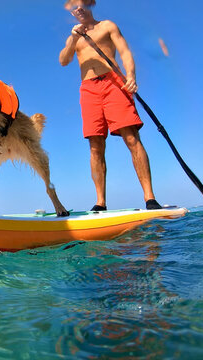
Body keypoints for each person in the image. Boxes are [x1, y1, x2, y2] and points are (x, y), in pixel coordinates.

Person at [59, 0, 162, 211]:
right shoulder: (74, 37)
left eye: (81, 4)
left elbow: (124, 51)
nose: (78, 9)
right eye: (73, 6)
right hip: (88, 89)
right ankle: (100, 202)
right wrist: (74, 39)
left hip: (114, 82)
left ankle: (150, 198)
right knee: (95, 146)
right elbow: (63, 60)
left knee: (131, 137)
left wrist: (131, 75)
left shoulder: (107, 25)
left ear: (89, 6)